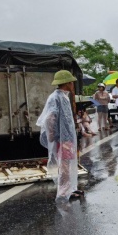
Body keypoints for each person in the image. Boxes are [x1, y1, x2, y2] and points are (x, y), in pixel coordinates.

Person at [37, 70, 84, 201]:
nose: (73, 84)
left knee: (68, 164)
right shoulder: (56, 97)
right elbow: (49, 118)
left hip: (66, 138)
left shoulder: (63, 96)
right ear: (67, 83)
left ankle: (70, 188)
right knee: (64, 166)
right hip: (61, 138)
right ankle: (64, 193)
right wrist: (53, 135)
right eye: (71, 82)